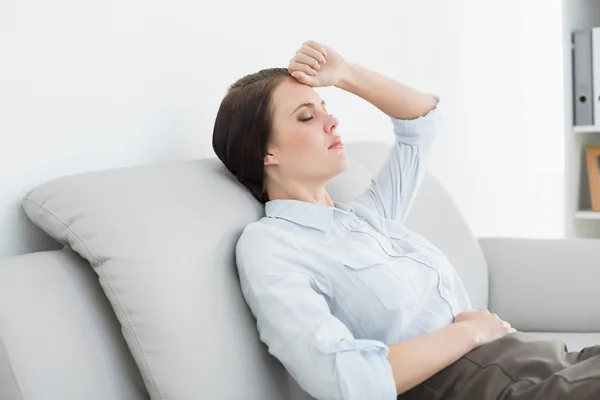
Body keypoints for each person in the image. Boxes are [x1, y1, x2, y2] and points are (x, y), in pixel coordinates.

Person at [212, 40, 600, 400]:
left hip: (537, 360)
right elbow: (345, 379)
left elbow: (423, 120)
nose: (332, 123)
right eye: (307, 117)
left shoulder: (367, 216)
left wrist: (344, 73)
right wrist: (470, 332)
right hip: (479, 385)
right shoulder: (271, 246)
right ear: (266, 153)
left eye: (327, 110)